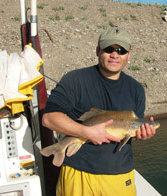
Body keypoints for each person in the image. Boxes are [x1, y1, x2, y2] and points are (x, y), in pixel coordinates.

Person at [42, 26, 156, 196]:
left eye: (121, 50)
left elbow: (129, 131)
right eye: (109, 49)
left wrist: (143, 134)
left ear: (128, 55)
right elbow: (49, 119)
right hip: (78, 174)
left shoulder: (136, 89)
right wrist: (86, 132)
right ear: (97, 50)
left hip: (119, 175)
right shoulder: (75, 80)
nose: (115, 54)